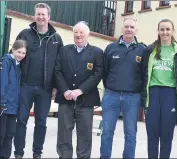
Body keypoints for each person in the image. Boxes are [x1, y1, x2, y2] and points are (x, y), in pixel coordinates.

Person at [13, 3, 63, 159]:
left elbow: (59, 64)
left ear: (49, 16)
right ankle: (19, 153)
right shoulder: (24, 34)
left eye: (43, 14)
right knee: (21, 120)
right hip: (25, 86)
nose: (41, 17)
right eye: (38, 14)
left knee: (41, 123)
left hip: (45, 89)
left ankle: (37, 153)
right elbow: (14, 55)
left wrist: (56, 86)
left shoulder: (56, 39)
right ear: (34, 16)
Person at [55, 21, 103, 159]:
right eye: (76, 32)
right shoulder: (64, 50)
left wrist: (80, 90)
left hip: (86, 100)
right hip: (66, 98)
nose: (78, 35)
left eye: (81, 32)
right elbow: (57, 71)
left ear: (88, 34)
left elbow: (97, 74)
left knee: (85, 134)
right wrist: (65, 91)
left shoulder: (97, 52)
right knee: (64, 133)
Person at [100, 17, 146, 159]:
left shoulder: (143, 50)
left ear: (136, 30)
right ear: (122, 28)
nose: (129, 29)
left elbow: (144, 74)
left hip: (132, 97)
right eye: (126, 26)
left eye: (132, 27)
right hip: (111, 95)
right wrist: (111, 87)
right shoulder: (111, 48)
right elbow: (104, 72)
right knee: (107, 131)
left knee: (131, 132)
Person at [142, 19, 177, 158]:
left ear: (172, 31)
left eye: (168, 29)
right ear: (158, 31)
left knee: (167, 135)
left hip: (170, 94)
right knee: (152, 134)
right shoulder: (149, 50)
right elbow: (142, 73)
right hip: (153, 94)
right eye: (162, 29)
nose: (165, 32)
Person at [0, 40, 27, 159]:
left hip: (13, 107)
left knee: (9, 134)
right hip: (4, 105)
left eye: (23, 53)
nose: (21, 55)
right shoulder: (6, 61)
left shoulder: (18, 65)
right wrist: (2, 102)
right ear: (13, 49)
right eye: (19, 52)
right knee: (1, 134)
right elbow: (3, 83)